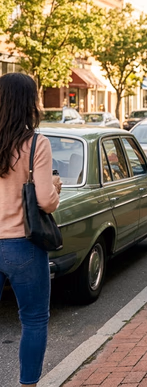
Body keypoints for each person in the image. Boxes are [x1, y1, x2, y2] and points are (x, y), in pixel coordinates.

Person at [0, 73, 61, 386]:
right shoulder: (36, 142)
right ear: (30, 103)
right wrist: (55, 188)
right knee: (34, 320)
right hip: (22, 244)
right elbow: (45, 201)